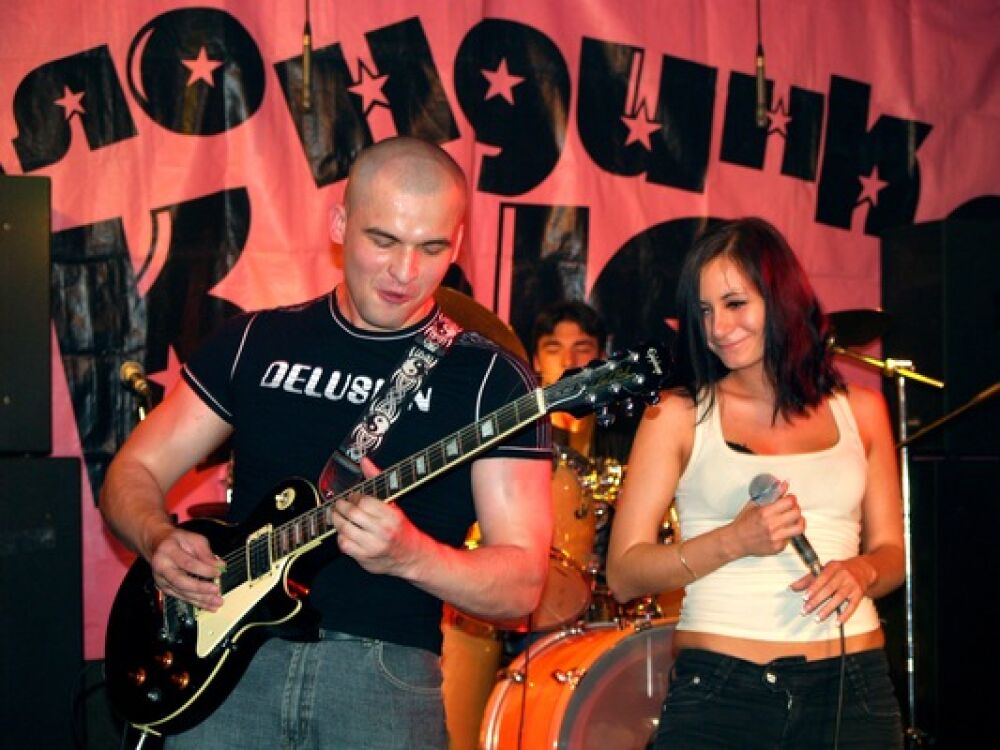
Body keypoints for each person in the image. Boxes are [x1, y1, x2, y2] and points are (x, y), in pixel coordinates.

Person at [99, 137, 553, 750]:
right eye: (383, 240)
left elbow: (523, 584)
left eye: (431, 248)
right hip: (226, 669)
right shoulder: (255, 341)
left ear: (459, 242)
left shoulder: (493, 380)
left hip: (382, 678)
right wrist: (156, 537)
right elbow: (134, 470)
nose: (405, 272)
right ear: (339, 225)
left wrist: (412, 556)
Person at [606, 217, 905, 749]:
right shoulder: (677, 414)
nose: (718, 327)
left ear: (781, 298)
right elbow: (624, 574)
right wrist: (733, 540)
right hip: (721, 690)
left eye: (735, 303)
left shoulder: (862, 410)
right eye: (704, 311)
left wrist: (861, 570)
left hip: (851, 685)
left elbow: (892, 555)